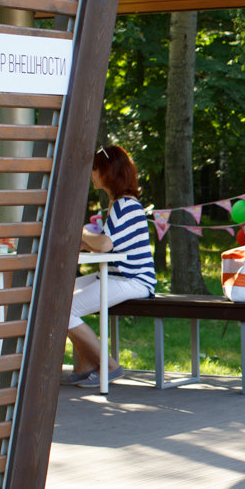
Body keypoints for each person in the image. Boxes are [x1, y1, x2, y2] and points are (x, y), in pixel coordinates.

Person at [62, 146, 155, 388]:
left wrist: (81, 233)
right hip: (113, 275)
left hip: (132, 280)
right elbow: (106, 245)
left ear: (108, 172)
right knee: (57, 295)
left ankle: (109, 365)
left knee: (64, 306)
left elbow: (103, 244)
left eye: (94, 169)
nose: (91, 174)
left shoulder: (126, 205)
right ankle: (87, 363)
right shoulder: (118, 204)